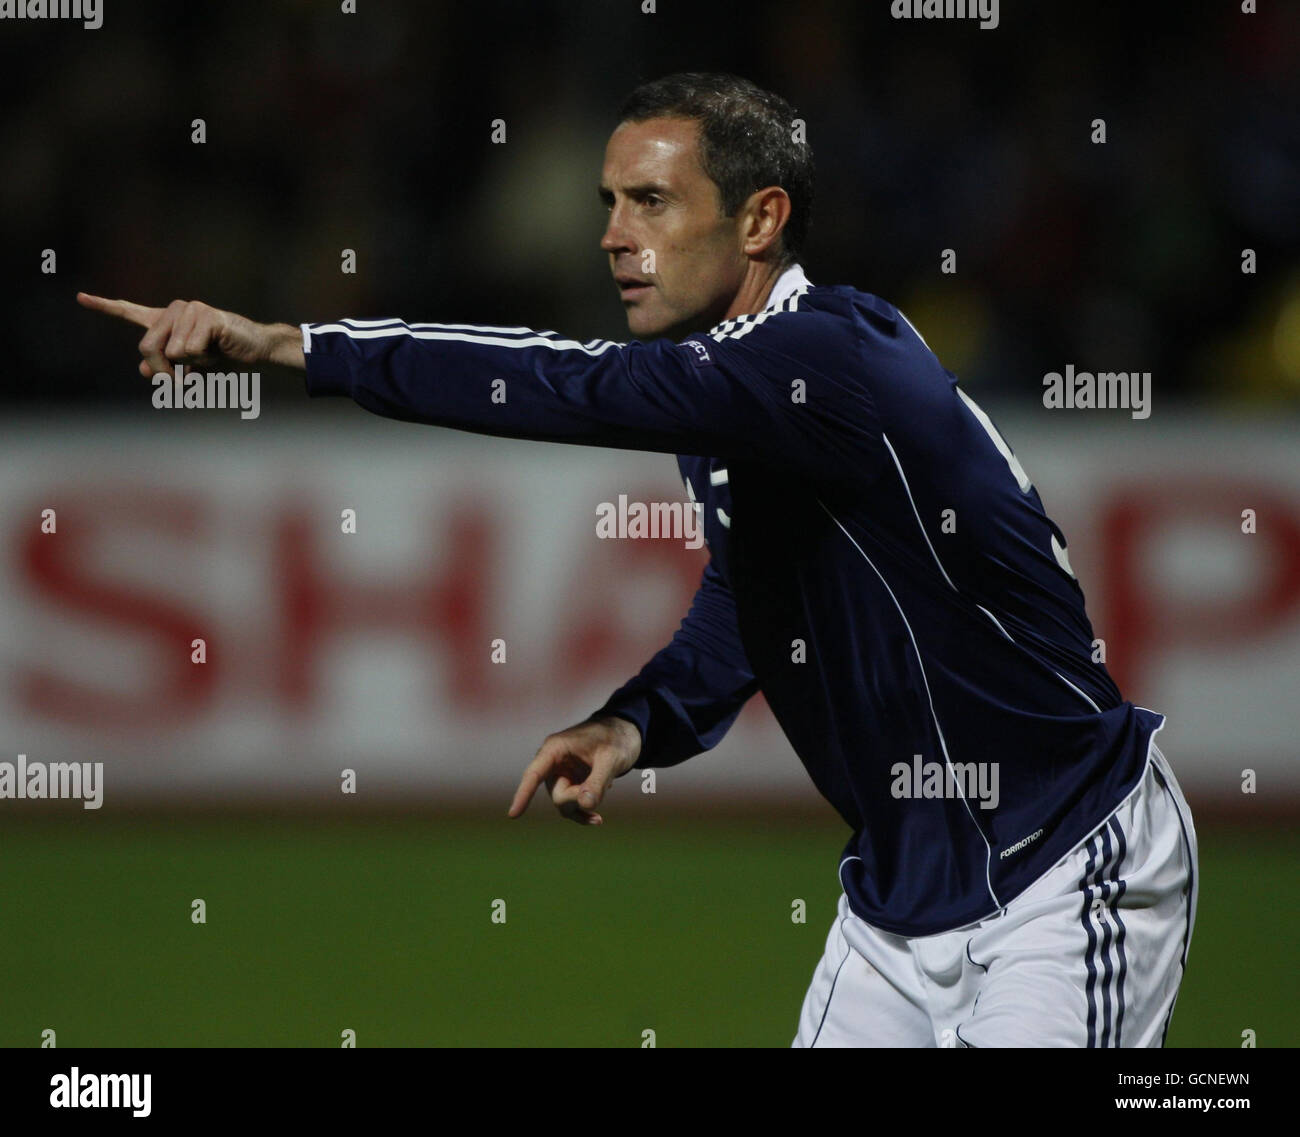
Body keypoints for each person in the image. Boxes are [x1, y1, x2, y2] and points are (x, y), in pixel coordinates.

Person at [77, 71, 1196, 1047]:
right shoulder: (744, 386)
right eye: (608, 202)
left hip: (1063, 861)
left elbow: (560, 380)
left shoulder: (816, 359)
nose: (614, 233)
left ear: (761, 220)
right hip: (902, 894)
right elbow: (752, 591)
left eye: (651, 202)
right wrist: (637, 720)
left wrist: (294, 345)